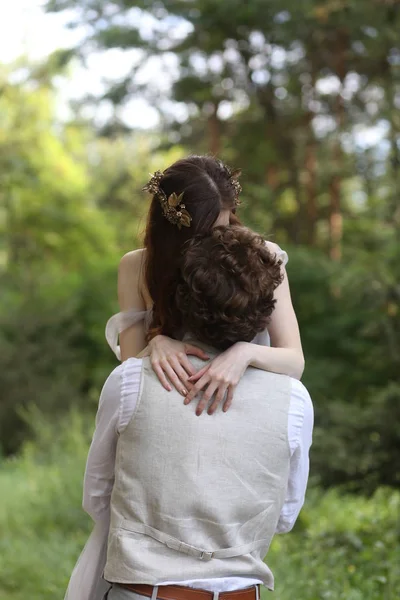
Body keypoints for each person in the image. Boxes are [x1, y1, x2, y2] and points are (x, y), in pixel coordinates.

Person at [65, 225, 313, 600]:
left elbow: (97, 496)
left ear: (181, 300)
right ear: (265, 314)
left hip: (142, 590)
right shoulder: (294, 401)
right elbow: (285, 515)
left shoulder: (131, 380)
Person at [106, 156, 304, 415]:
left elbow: (294, 361)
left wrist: (245, 353)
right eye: (204, 232)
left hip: (248, 404)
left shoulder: (260, 257)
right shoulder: (137, 266)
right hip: (169, 407)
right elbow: (126, 372)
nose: (216, 239)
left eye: (224, 225)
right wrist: (155, 345)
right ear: (172, 229)